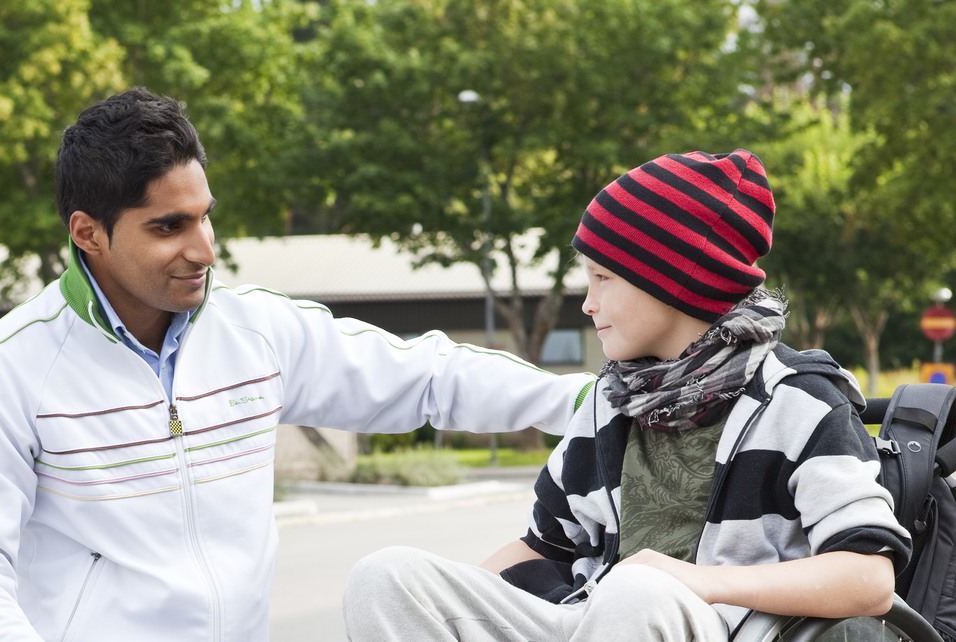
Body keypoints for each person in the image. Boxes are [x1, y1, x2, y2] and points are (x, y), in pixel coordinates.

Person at [0, 87, 595, 641]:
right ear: (88, 233)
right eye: (169, 227)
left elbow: (429, 377)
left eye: (204, 217)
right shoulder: (10, 367)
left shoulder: (257, 332)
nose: (204, 249)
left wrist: (592, 402)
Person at [343, 150, 913, 641]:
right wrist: (453, 607)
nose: (587, 303)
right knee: (387, 576)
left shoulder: (801, 400)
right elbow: (545, 548)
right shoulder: (609, 401)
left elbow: (868, 579)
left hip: (723, 625)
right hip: (590, 616)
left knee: (638, 590)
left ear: (673, 280)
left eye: (603, 278)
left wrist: (699, 582)